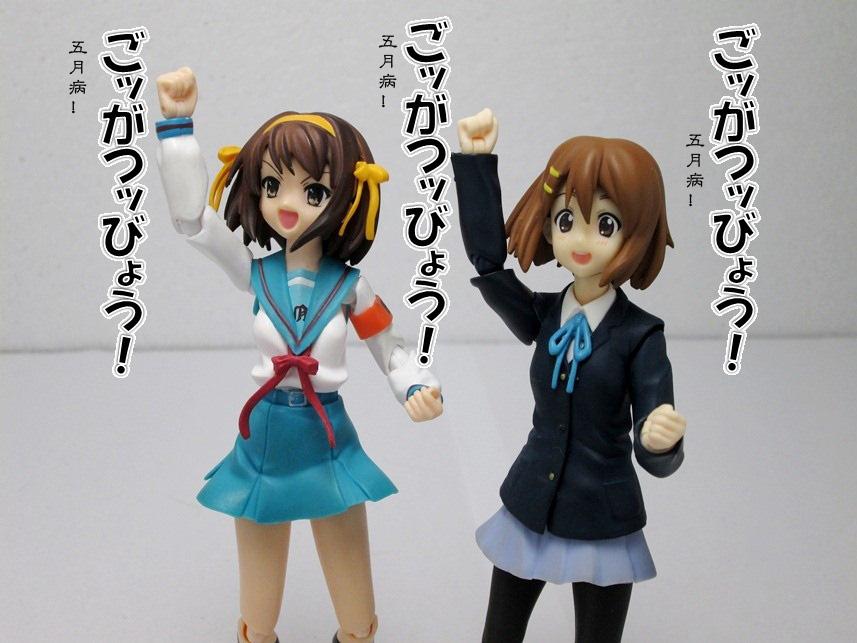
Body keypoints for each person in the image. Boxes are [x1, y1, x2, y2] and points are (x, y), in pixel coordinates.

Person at [155, 67, 443, 643]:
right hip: (264, 438)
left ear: (347, 196)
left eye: (313, 192)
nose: (288, 205)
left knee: (357, 610)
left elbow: (391, 348)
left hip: (327, 436)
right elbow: (193, 221)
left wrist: (415, 385)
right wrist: (177, 129)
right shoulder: (256, 274)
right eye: (272, 185)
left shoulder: (351, 287)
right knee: (257, 611)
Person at [452, 108, 686, 643]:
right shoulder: (543, 314)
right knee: (500, 632)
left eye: (606, 224)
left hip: (604, 510)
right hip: (532, 498)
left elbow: (656, 424)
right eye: (565, 220)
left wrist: (660, 441)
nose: (581, 239)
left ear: (637, 232)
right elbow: (490, 267)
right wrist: (476, 166)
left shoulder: (640, 334)